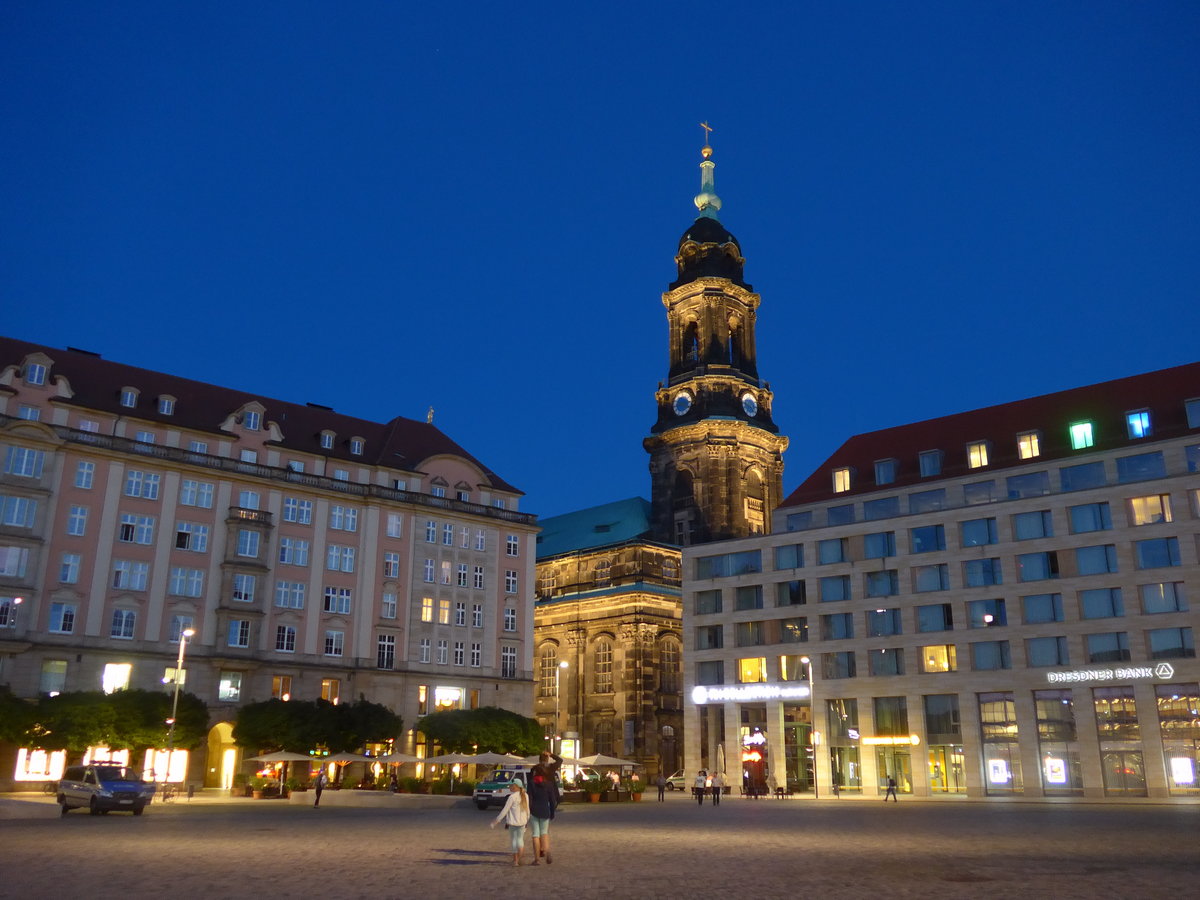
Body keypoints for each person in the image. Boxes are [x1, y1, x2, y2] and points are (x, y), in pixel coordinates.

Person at [490, 780, 531, 866]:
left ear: (515, 787)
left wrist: (497, 820)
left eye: (511, 786)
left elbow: (505, 810)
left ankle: (515, 861)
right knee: (520, 840)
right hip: (522, 822)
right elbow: (528, 810)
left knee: (514, 841)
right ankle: (519, 858)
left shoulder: (512, 797)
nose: (509, 787)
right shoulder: (526, 795)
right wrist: (527, 820)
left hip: (513, 822)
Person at [527, 766, 557, 865]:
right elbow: (552, 800)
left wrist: (528, 811)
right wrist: (552, 812)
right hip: (545, 810)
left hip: (534, 811)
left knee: (535, 834)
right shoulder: (549, 784)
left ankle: (537, 859)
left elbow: (529, 799)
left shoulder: (531, 783)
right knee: (544, 832)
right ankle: (547, 851)